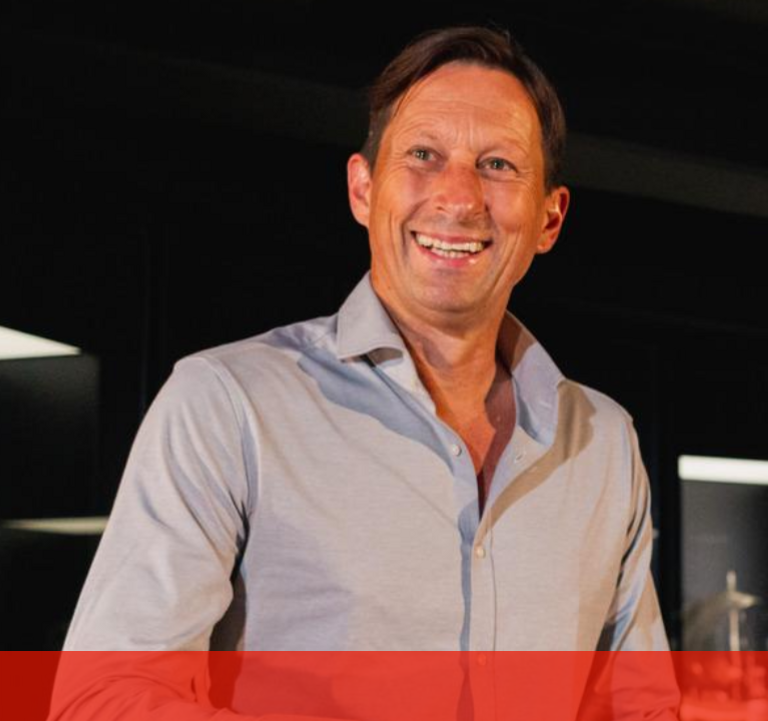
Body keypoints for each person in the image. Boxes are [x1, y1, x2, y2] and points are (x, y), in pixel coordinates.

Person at [53, 26, 677, 720]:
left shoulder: (603, 443)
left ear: (549, 219)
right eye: (423, 155)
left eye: (498, 164)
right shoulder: (226, 404)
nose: (459, 197)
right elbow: (100, 700)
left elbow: (640, 707)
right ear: (362, 188)